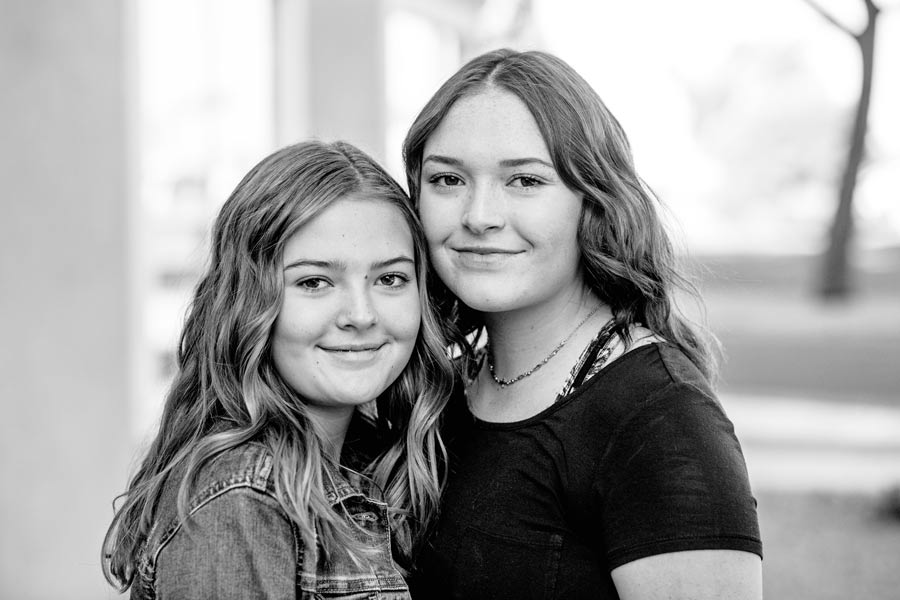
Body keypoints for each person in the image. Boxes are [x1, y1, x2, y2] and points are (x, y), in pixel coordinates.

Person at [402, 49, 763, 599]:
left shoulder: (657, 418)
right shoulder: (435, 393)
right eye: (448, 179)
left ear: (592, 201)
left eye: (523, 181)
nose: (479, 215)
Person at [101, 140, 454, 599]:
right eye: (314, 282)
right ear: (250, 303)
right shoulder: (240, 499)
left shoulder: (369, 461)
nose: (362, 314)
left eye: (390, 279)